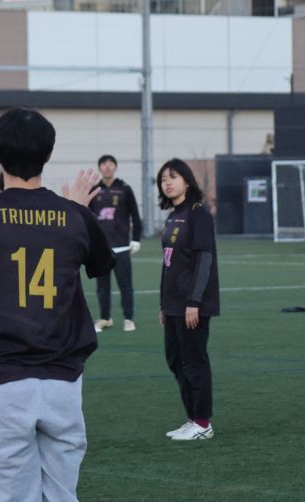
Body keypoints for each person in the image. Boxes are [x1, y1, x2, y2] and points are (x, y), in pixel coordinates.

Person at [0, 108, 115, 502]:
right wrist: (76, 210)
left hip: (0, 381)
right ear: (48, 155)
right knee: (61, 495)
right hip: (63, 382)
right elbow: (103, 263)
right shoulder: (74, 216)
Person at [157, 158, 219, 442]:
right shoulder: (173, 216)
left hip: (191, 304)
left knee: (194, 361)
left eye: (173, 177)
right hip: (172, 304)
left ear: (186, 180)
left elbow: (204, 261)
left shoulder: (198, 214)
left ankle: (203, 423)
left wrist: (194, 302)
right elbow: (167, 264)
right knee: (175, 360)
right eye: (163, 179)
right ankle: (192, 418)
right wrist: (163, 304)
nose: (167, 183)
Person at [89, 154, 143, 333]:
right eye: (104, 164)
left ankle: (128, 319)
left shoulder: (125, 189)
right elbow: (87, 218)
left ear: (115, 167)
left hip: (121, 247)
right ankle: (105, 319)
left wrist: (136, 239)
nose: (107, 167)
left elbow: (135, 216)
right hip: (101, 249)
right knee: (102, 287)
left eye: (111, 164)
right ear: (100, 168)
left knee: (125, 285)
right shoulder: (94, 190)